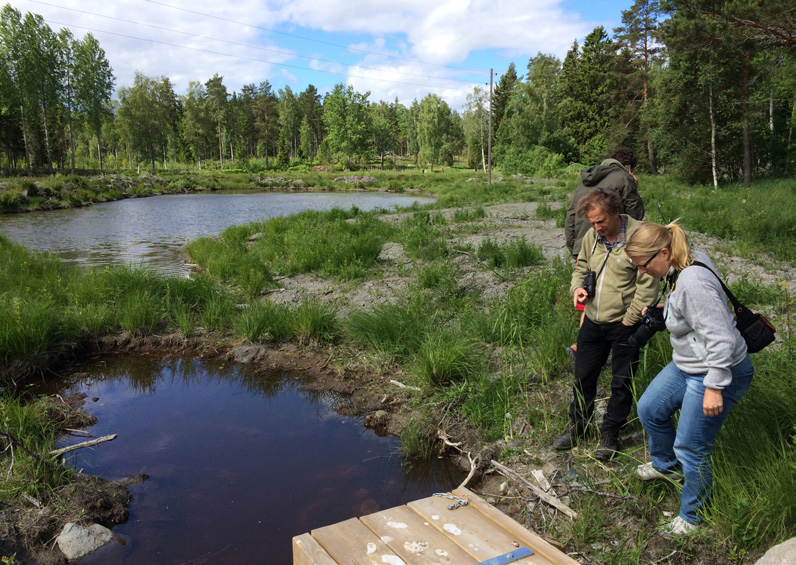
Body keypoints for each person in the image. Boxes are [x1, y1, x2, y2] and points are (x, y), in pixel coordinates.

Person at [625, 221, 754, 536]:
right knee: (649, 409)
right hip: (689, 364)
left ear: (664, 252)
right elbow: (693, 310)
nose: (641, 272)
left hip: (716, 370)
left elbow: (721, 338)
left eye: (643, 265)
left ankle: (693, 518)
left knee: (692, 446)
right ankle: (666, 468)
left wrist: (714, 386)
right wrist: (667, 308)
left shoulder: (692, 282)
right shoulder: (683, 263)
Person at [553, 189, 658, 460]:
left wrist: (629, 320)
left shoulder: (639, 236)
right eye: (592, 222)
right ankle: (579, 428)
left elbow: (647, 286)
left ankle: (611, 433)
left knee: (621, 382)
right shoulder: (592, 236)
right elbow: (580, 268)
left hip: (625, 322)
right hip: (592, 320)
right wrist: (577, 289)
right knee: (583, 375)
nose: (596, 227)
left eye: (600, 221)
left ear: (615, 212)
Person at [564, 147, 644, 363]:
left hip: (583, 243)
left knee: (590, 293)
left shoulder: (587, 179)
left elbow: (570, 215)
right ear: (627, 167)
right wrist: (634, 186)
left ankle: (583, 347)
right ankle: (603, 345)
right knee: (612, 290)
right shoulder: (624, 178)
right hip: (609, 242)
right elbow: (636, 216)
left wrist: (573, 246)